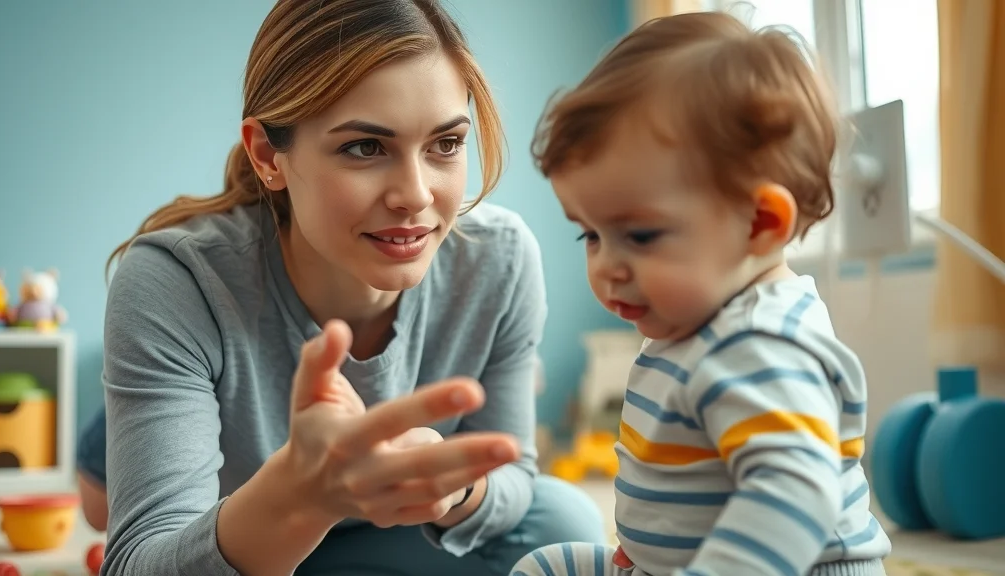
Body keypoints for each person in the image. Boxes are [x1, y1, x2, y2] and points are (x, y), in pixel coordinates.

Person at [75, 1, 607, 575]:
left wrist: (449, 489)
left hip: (367, 519)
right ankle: (137, 422)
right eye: (365, 147)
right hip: (240, 482)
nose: (416, 195)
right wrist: (305, 494)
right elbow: (137, 563)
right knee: (106, 505)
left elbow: (513, 475)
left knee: (564, 521)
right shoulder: (176, 281)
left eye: (446, 144)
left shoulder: (499, 258)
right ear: (267, 156)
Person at [510, 11, 892, 576]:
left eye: (639, 235)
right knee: (545, 567)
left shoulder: (760, 344)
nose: (608, 266)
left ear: (760, 223)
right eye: (590, 234)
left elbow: (793, 497)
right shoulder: (698, 318)